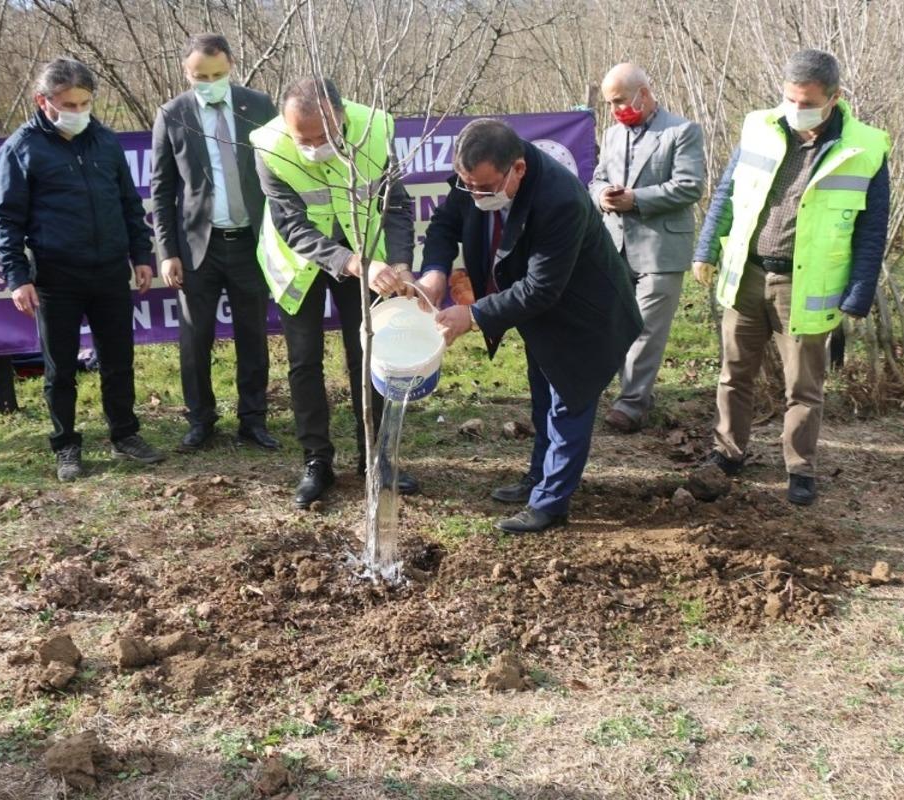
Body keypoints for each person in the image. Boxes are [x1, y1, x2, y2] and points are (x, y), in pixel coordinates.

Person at [419, 119, 642, 533]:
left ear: (517, 169)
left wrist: (473, 315)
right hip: (539, 311)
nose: (475, 195)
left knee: (567, 400)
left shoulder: (560, 199)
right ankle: (539, 477)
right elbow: (445, 225)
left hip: (584, 313)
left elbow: (542, 287)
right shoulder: (476, 172)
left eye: (485, 188)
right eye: (469, 186)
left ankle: (551, 504)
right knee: (543, 394)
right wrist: (434, 272)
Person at [692, 49, 890, 505]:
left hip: (806, 287)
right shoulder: (759, 127)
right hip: (747, 274)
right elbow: (727, 190)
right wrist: (706, 248)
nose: (796, 109)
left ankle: (799, 467)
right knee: (733, 373)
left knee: (803, 385)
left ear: (835, 96)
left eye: (806, 101)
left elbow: (872, 228)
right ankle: (728, 452)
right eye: (789, 98)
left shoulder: (865, 147)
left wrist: (858, 293)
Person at [250, 77, 419, 509]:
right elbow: (291, 226)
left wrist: (398, 264)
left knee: (367, 352)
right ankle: (317, 462)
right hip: (301, 260)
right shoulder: (269, 145)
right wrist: (353, 263)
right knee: (304, 361)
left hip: (366, 250)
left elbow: (396, 203)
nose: (310, 146)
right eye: (300, 138)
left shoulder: (374, 129)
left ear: (341, 117)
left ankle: (376, 460)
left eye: (321, 136)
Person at [0, 57, 165, 482]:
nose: (79, 111)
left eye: (86, 102)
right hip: (56, 276)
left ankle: (125, 434)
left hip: (109, 271)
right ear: (43, 101)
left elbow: (129, 203)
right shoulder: (21, 148)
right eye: (69, 103)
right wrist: (18, 277)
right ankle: (66, 444)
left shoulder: (105, 141)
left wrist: (141, 256)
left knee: (118, 361)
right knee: (60, 368)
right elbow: (8, 220)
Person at [151, 33, 279, 452]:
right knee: (195, 338)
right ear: (186, 73)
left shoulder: (259, 106)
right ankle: (200, 420)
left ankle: (253, 419)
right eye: (200, 76)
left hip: (250, 243)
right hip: (196, 248)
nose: (210, 82)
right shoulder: (172, 114)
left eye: (218, 74)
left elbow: (280, 172)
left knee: (252, 334)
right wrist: (167, 252)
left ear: (231, 67)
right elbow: (161, 189)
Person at [590, 63, 705, 433]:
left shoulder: (682, 131)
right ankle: (636, 392)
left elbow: (689, 186)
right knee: (618, 323)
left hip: (661, 248)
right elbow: (598, 178)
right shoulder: (611, 136)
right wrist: (602, 197)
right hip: (616, 246)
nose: (614, 110)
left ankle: (632, 404)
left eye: (619, 100)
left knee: (646, 329)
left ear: (643, 92)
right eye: (609, 103)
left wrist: (636, 199)